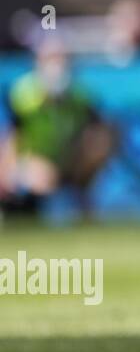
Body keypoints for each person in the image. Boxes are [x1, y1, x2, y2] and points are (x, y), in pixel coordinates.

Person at [0, 43, 116, 221]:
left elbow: (100, 132)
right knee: (41, 179)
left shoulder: (81, 95)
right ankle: (25, 209)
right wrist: (7, 173)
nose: (57, 67)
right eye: (51, 60)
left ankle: (82, 201)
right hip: (34, 160)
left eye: (61, 60)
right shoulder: (24, 94)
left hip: (68, 159)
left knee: (101, 144)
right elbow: (12, 137)